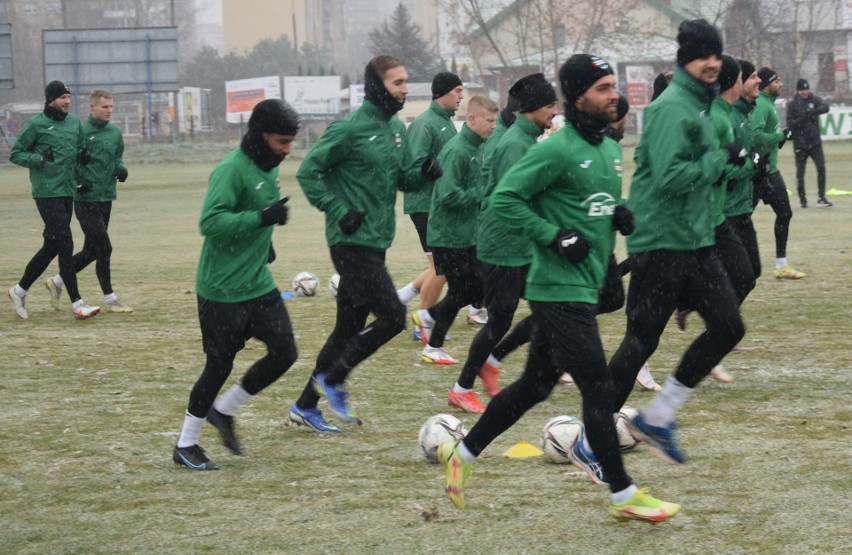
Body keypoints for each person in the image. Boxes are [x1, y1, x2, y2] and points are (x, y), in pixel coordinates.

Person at [438, 53, 680, 523]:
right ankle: (623, 492)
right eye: (604, 88)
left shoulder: (610, 148)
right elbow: (504, 200)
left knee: (535, 385)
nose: (614, 94)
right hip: (554, 288)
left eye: (615, 86)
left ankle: (461, 456)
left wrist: (618, 212)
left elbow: (587, 201)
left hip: (583, 286)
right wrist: (552, 235)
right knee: (597, 386)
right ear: (578, 96)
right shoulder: (556, 147)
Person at [606, 19, 746, 466]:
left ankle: (659, 417)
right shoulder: (670, 108)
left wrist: (728, 161)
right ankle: (591, 434)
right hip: (661, 241)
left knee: (728, 327)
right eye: (704, 55)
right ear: (686, 58)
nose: (712, 63)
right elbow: (669, 178)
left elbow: (701, 169)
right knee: (640, 342)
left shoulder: (702, 106)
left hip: (695, 239)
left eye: (717, 55)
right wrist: (719, 159)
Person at [288, 55, 435, 433]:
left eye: (406, 82)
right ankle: (333, 380)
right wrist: (338, 209)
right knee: (391, 319)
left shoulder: (395, 129)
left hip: (376, 240)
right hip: (350, 241)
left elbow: (402, 179)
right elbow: (309, 171)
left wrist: (424, 173)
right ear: (376, 86)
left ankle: (305, 406)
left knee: (346, 330)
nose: (404, 89)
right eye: (397, 83)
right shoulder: (349, 128)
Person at [172, 99, 301, 471]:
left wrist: (267, 242)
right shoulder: (230, 169)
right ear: (260, 136)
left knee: (285, 352)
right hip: (222, 290)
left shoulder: (268, 166)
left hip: (258, 284)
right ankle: (185, 444)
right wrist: (262, 218)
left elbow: (254, 214)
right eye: (281, 142)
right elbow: (210, 223)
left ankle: (225, 411)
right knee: (219, 366)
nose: (287, 151)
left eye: (290, 143)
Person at [442, 75, 558, 413]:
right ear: (533, 108)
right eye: (550, 105)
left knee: (548, 310)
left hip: (521, 245)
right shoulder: (514, 145)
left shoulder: (526, 141)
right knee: (499, 320)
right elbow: (508, 201)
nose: (555, 111)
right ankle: (462, 386)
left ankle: (495, 362)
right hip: (503, 246)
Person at [412, 95, 499, 367]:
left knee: (477, 286)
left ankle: (430, 318)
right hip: (448, 235)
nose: (493, 126)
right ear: (471, 119)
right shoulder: (458, 150)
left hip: (467, 234)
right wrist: (483, 194)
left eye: (495, 121)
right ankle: (433, 344)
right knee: (463, 290)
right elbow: (448, 195)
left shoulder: (478, 147)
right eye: (489, 121)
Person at [8, 81, 100, 320]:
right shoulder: (35, 125)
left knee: (52, 246)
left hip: (66, 191)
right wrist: (38, 158)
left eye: (68, 97)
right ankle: (78, 304)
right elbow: (16, 154)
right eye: (62, 97)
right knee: (66, 243)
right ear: (50, 100)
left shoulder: (73, 124)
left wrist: (83, 159)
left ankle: (18, 291)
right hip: (45, 192)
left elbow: (78, 151)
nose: (67, 102)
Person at [44, 89, 133, 313]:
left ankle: (57, 281)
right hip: (85, 199)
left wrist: (121, 168)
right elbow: (68, 160)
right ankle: (110, 298)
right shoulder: (80, 131)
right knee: (105, 247)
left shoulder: (114, 132)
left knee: (92, 251)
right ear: (92, 107)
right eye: (105, 107)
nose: (109, 111)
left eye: (111, 107)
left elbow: (117, 157)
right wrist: (77, 183)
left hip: (106, 197)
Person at [396, 72, 463, 324]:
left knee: (446, 266)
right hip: (425, 205)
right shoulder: (425, 123)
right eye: (457, 90)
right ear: (442, 92)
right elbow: (413, 165)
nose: (461, 96)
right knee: (442, 268)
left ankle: (402, 297)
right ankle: (423, 319)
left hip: (441, 205)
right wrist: (428, 169)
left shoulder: (445, 122)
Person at [752, 67, 805, 279]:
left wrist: (781, 138)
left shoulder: (769, 105)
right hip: (756, 174)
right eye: (777, 80)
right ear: (766, 84)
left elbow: (768, 137)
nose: (781, 84)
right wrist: (780, 136)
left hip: (771, 173)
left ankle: (781, 265)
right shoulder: (761, 106)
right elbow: (755, 137)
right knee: (739, 220)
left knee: (785, 213)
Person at [786, 78, 831, 208]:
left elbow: (826, 107)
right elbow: (790, 124)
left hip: (815, 143)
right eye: (802, 90)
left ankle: (821, 198)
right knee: (800, 173)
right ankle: (802, 200)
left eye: (806, 89)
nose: (805, 92)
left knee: (821, 168)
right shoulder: (792, 104)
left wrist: (814, 112)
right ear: (798, 90)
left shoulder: (814, 100)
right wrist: (803, 118)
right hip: (800, 145)